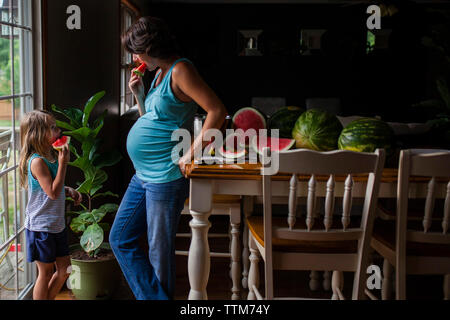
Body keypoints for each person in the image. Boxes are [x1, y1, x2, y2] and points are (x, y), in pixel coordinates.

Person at [109, 16, 227, 300]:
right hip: (143, 174)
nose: (135, 58)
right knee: (120, 238)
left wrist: (192, 151)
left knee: (158, 253)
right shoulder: (159, 73)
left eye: (136, 51)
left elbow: (217, 111)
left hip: (165, 175)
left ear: (149, 46)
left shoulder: (180, 70)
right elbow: (153, 119)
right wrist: (139, 95)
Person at [19, 110, 82, 300]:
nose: (58, 129)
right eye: (52, 127)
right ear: (38, 133)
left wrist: (68, 189)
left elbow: (54, 187)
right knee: (45, 273)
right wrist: (64, 164)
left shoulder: (50, 156)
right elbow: (52, 193)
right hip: (41, 227)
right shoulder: (37, 161)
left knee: (65, 270)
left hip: (56, 225)